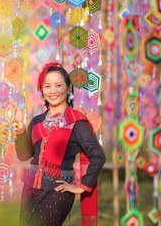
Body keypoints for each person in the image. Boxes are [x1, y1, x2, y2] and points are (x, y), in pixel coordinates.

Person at [13, 62, 106, 226]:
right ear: (42, 89)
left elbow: (98, 156)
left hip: (58, 191)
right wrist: (20, 126)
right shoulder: (36, 121)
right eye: (47, 86)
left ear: (69, 88)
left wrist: (81, 187)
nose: (52, 90)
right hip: (30, 189)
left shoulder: (77, 122)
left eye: (58, 85)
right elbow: (23, 155)